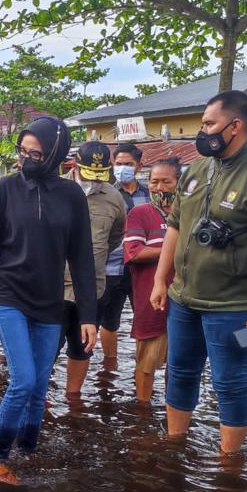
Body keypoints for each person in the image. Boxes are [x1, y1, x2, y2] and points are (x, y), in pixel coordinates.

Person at [151, 91, 247, 454]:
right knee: (180, 372)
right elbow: (174, 226)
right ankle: (175, 444)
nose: (203, 132)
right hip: (184, 302)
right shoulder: (197, 171)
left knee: (231, 380)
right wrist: (160, 279)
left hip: (238, 309)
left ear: (236, 127)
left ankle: (229, 464)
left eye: (209, 124)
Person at [0, 116, 96, 484]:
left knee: (41, 385)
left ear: (55, 154)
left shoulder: (72, 195)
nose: (26, 159)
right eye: (22, 151)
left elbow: (82, 257)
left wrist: (88, 313)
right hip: (9, 294)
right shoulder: (6, 189)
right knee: (24, 380)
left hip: (50, 301)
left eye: (36, 153)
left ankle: (28, 451)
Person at [59, 141, 124, 396]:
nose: (95, 181)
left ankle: (73, 397)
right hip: (56, 285)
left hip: (93, 286)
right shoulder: (57, 190)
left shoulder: (114, 197)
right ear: (75, 166)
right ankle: (40, 396)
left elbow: (115, 237)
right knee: (48, 344)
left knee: (82, 346)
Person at [124, 158, 179, 403]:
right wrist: (173, 248)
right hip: (151, 301)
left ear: (178, 183)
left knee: (179, 364)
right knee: (147, 363)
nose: (159, 187)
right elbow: (133, 253)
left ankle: (172, 408)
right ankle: (142, 412)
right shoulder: (140, 213)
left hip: (185, 301)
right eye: (154, 181)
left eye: (166, 182)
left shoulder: (189, 213)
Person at [97, 143, 148, 360]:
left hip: (142, 268)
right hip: (111, 267)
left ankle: (142, 367)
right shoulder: (104, 193)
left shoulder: (150, 193)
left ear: (139, 166)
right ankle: (110, 365)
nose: (123, 168)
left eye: (129, 164)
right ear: (111, 165)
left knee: (144, 320)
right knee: (109, 321)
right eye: (119, 164)